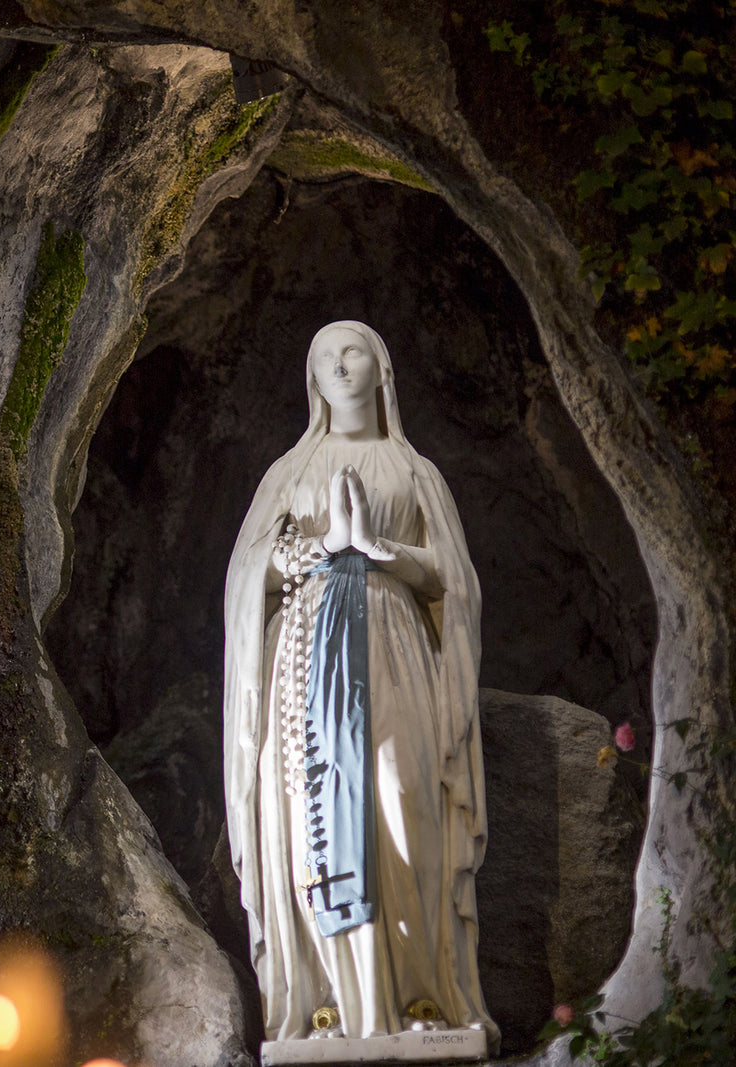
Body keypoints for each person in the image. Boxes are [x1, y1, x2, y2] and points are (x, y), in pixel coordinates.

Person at [221, 321, 497, 1047]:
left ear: (383, 367)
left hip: (392, 643)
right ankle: (337, 1002)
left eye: (353, 352)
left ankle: (420, 995)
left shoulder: (415, 473)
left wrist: (383, 551)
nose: (340, 365)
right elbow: (248, 575)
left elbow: (453, 579)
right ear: (311, 378)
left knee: (403, 802)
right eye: (324, 356)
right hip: (307, 658)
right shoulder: (289, 472)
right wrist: (318, 549)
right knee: (316, 814)